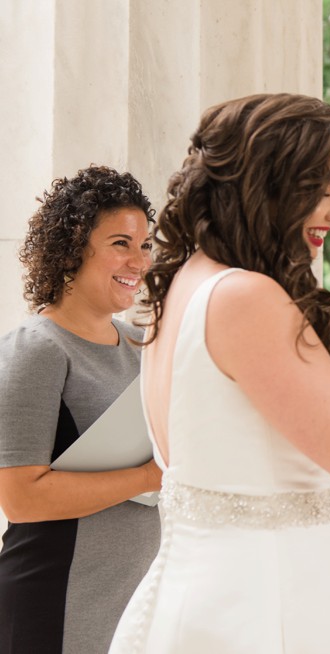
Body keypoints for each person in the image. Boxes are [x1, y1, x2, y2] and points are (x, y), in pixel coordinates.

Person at [110, 93, 330, 653]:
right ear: (272, 185)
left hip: (213, 590)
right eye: (323, 188)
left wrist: (322, 518)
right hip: (263, 610)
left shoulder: (188, 281)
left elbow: (219, 468)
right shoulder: (244, 297)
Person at [0, 165, 163, 654]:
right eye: (120, 243)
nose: (138, 261)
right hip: (54, 603)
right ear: (72, 247)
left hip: (133, 601)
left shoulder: (144, 345)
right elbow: (20, 499)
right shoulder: (35, 349)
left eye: (146, 245)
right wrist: (147, 478)